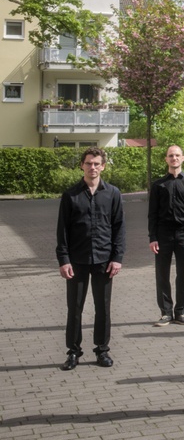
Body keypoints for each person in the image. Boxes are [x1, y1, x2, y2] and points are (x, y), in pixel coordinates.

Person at [56, 147, 125, 371]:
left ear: (103, 166)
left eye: (96, 164)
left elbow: (119, 227)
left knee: (103, 307)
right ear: (82, 166)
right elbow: (62, 230)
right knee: (75, 308)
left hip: (104, 260)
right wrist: (64, 259)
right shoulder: (70, 195)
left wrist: (117, 257)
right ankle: (73, 351)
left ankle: (102, 349)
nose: (92, 167)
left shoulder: (113, 193)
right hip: (77, 260)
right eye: (88, 163)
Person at [148, 144, 184, 327]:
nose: (174, 158)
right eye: (171, 155)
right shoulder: (158, 185)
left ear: (183, 158)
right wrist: (152, 237)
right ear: (166, 159)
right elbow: (152, 213)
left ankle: (181, 312)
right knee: (162, 274)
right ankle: (166, 313)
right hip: (163, 234)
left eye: (177, 155)